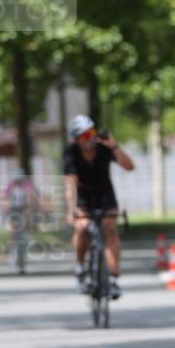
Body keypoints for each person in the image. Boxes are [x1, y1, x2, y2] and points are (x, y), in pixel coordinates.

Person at [64, 115, 135, 298]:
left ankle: (112, 279)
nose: (91, 139)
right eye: (85, 136)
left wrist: (114, 145)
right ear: (76, 139)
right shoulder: (71, 153)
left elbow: (129, 166)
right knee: (82, 227)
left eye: (92, 133)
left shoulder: (104, 148)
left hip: (105, 194)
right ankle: (80, 268)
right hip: (84, 196)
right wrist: (71, 209)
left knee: (110, 227)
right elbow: (70, 183)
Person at [1, 168, 41, 268]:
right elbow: (4, 199)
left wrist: (30, 210)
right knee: (13, 230)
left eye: (19, 181)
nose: (17, 183)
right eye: (16, 181)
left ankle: (28, 236)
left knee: (26, 220)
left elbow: (32, 198)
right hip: (13, 209)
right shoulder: (9, 186)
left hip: (25, 207)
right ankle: (12, 253)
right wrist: (6, 208)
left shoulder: (27, 184)